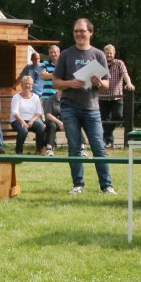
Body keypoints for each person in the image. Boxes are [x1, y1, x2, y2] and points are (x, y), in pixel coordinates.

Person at [53, 18, 116, 195]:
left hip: (91, 108)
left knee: (98, 147)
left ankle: (107, 186)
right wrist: (69, 83)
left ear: (90, 32)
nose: (79, 34)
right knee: (74, 147)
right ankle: (78, 185)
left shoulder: (98, 54)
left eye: (82, 31)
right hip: (69, 107)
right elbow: (56, 82)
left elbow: (107, 84)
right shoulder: (66, 54)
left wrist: (98, 83)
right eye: (76, 31)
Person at [100, 44, 135, 148]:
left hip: (117, 96)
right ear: (104, 53)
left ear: (114, 53)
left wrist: (129, 83)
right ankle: (109, 141)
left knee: (118, 116)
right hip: (102, 96)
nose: (109, 55)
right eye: (107, 53)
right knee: (104, 119)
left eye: (111, 53)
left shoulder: (119, 63)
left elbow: (125, 74)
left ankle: (105, 135)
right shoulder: (100, 64)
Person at [9, 76, 45, 154]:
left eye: (29, 84)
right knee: (23, 130)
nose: (27, 86)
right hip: (17, 120)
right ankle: (19, 151)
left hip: (32, 119)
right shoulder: (16, 97)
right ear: (21, 85)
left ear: (32, 86)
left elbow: (39, 112)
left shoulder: (36, 97)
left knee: (41, 127)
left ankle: (39, 150)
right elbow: (15, 112)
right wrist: (22, 122)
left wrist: (32, 120)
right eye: (25, 84)